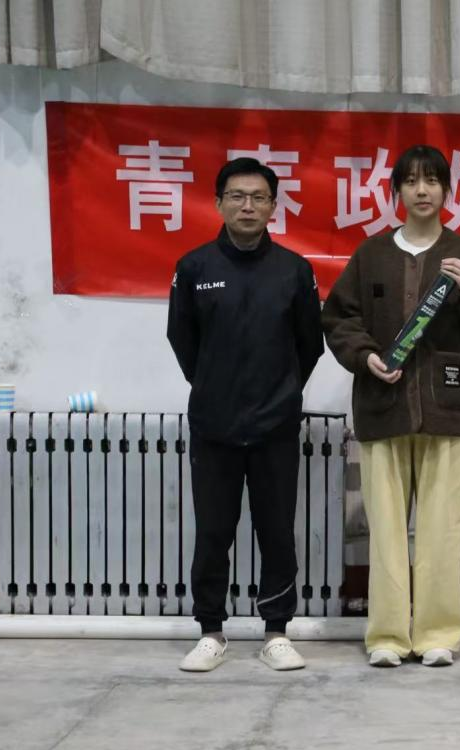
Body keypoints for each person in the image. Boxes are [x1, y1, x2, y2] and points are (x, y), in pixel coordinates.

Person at [322, 145, 460, 668]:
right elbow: (339, 320)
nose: (421, 190)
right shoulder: (372, 254)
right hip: (382, 407)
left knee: (443, 528)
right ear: (396, 191)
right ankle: (386, 635)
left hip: (448, 410)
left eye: (431, 181)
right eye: (410, 181)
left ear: (448, 190)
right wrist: (366, 356)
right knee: (384, 528)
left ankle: (437, 634)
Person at [167, 157, 324, 672]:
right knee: (214, 531)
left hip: (276, 427)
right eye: (237, 196)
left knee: (276, 531)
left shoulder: (294, 271)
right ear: (218, 203)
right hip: (214, 425)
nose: (248, 206)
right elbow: (182, 340)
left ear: (274, 206)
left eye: (259, 197)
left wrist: (280, 393)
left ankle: (276, 631)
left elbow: (309, 345)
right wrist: (216, 387)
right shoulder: (194, 268)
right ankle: (210, 631)